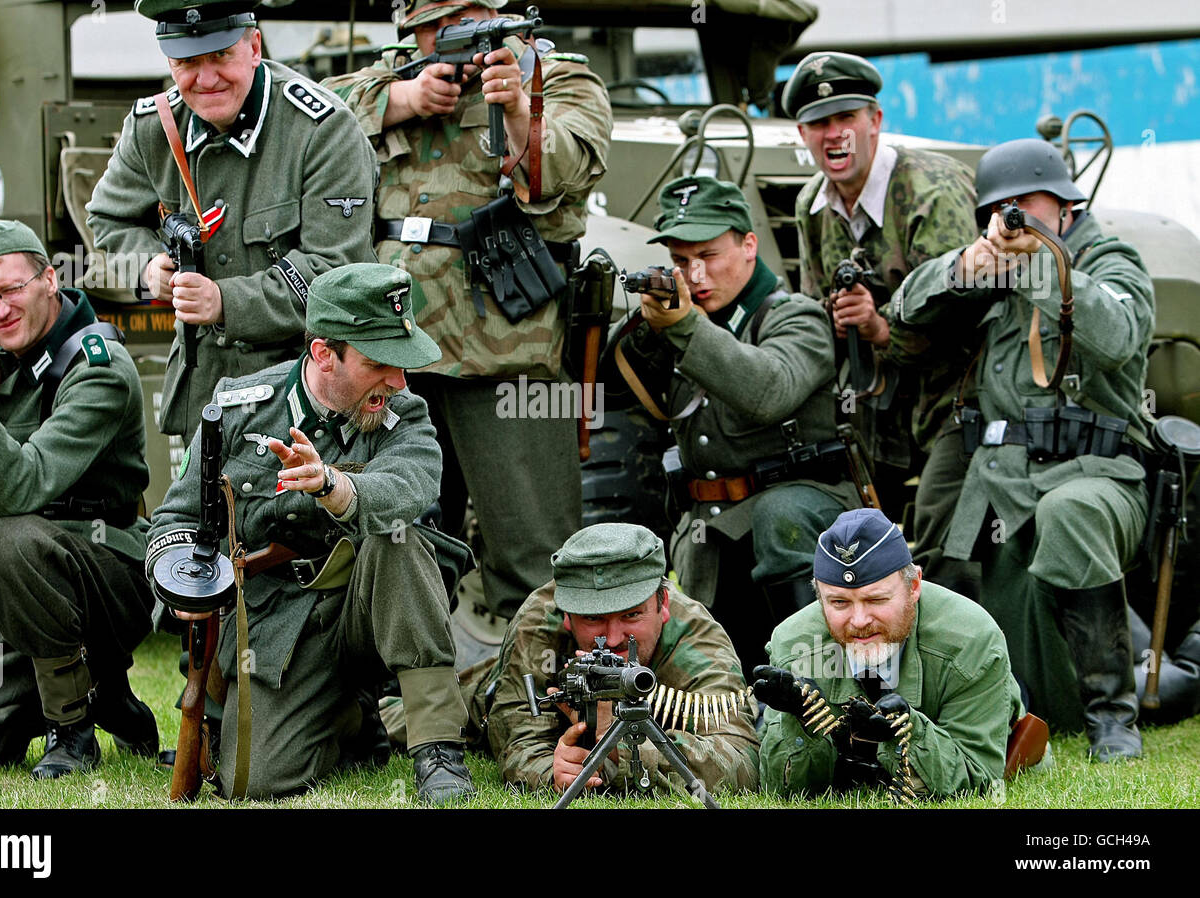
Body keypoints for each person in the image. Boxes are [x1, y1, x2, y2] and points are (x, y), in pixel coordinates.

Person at [323, 0, 612, 623]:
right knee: (388, 541)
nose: (444, 39)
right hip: (395, 350)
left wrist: (515, 110)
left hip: (507, 355)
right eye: (431, 27)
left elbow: (568, 163)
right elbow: (309, 117)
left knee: (533, 558)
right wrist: (402, 98)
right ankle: (404, 713)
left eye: (462, 21)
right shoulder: (393, 75)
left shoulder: (556, 76)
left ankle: (538, 708)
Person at [147, 263, 476, 804]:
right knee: (254, 783)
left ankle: (438, 749)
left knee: (396, 538)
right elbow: (176, 519)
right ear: (324, 354)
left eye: (403, 364)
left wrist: (335, 486)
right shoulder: (239, 406)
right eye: (379, 365)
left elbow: (410, 487)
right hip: (278, 624)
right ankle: (348, 719)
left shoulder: (406, 414)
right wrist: (184, 580)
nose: (398, 381)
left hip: (375, 609)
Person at [892, 137, 1155, 761]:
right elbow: (902, 308)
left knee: (1072, 516)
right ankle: (981, 708)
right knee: (933, 548)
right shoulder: (996, 270)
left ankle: (1112, 718)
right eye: (1002, 208)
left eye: (1028, 204)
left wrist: (1038, 264)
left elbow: (1117, 337)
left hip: (1096, 469)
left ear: (1064, 206)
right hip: (1001, 468)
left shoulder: (1111, 259)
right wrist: (964, 265)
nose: (1016, 219)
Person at [0, 219, 157, 779]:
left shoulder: (98, 367)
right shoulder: (6, 359)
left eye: (11, 290)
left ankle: (73, 727)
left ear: (49, 279)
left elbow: (24, 485)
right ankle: (110, 700)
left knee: (12, 536)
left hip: (106, 576)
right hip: (14, 589)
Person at [87, 0, 376, 441]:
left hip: (310, 398)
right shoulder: (154, 129)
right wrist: (148, 270)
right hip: (207, 397)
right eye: (186, 62)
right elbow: (107, 220)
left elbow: (337, 275)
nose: (205, 79)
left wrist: (224, 303)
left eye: (221, 55)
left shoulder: (322, 130)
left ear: (254, 46)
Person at [615, 175, 859, 673]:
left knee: (779, 516)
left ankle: (819, 680)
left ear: (750, 246)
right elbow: (610, 397)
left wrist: (685, 328)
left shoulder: (795, 316)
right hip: (713, 529)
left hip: (802, 514)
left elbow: (768, 391)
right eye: (681, 261)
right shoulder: (680, 322)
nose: (695, 273)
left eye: (710, 254)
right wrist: (634, 331)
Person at [783, 51, 982, 596]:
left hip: (957, 393)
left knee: (943, 545)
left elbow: (959, 316)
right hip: (876, 402)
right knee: (861, 542)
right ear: (802, 133)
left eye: (846, 118)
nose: (834, 135)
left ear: (876, 120)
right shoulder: (813, 205)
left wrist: (878, 326)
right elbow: (813, 303)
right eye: (820, 124)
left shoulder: (930, 190)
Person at [756, 508, 1027, 798]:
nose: (859, 621)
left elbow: (978, 776)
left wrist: (906, 732)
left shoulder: (971, 639)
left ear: (914, 586)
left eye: (876, 599)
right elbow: (780, 789)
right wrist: (802, 722)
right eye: (839, 602)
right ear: (819, 597)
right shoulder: (794, 644)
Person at [485, 523, 759, 795]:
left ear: (662, 604)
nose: (614, 638)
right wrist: (552, 773)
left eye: (631, 615)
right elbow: (518, 740)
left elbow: (740, 759)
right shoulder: (540, 624)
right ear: (566, 615)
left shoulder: (696, 637)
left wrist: (619, 746)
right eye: (593, 618)